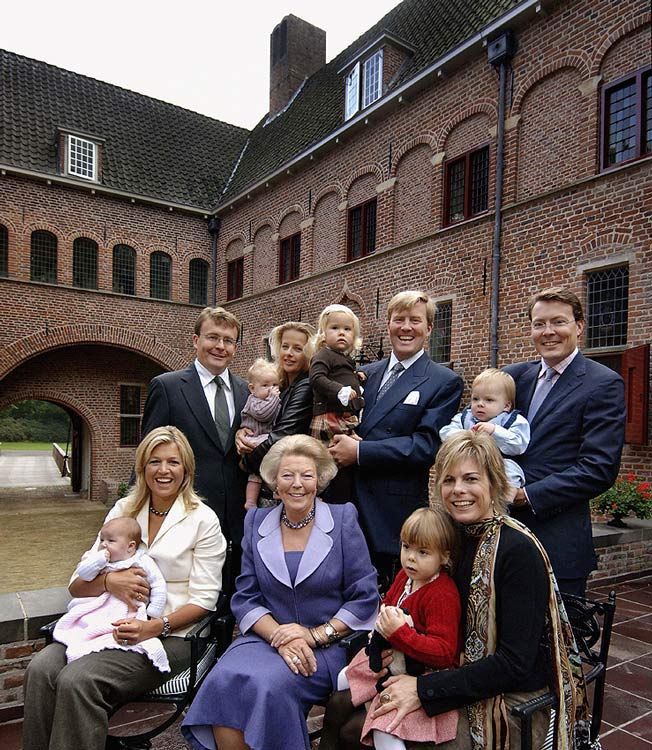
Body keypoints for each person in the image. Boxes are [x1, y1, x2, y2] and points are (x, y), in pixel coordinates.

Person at [324, 431, 588, 750]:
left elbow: (514, 663)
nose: (458, 490)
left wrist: (423, 689)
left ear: (494, 482)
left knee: (357, 730)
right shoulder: (450, 538)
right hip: (447, 668)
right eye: (448, 480)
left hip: (509, 698)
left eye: (471, 478)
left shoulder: (517, 550)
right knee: (339, 704)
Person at [23, 426, 226, 750]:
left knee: (79, 680)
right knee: (41, 669)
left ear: (186, 469)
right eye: (154, 461)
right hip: (102, 625)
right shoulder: (122, 511)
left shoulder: (203, 520)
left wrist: (153, 627)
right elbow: (77, 585)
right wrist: (108, 581)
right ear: (142, 467)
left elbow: (205, 600)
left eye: (173, 462)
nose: (163, 470)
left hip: (171, 634)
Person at [182, 434, 379, 750]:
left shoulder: (343, 520)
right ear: (275, 482)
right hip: (264, 640)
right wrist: (279, 636)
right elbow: (245, 597)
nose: (297, 484)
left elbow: (366, 597)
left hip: (325, 647)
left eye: (306, 475)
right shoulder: (256, 521)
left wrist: (311, 636)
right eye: (288, 475)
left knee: (265, 685)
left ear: (320, 480)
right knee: (222, 681)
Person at [329, 290, 464, 586]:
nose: (406, 327)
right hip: (345, 506)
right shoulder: (364, 373)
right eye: (398, 319)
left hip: (391, 518)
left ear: (429, 328)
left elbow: (426, 446)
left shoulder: (444, 381)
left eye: (415, 320)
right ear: (388, 323)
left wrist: (361, 453)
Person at [505, 287, 626, 596]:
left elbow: (598, 469)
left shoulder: (603, 383)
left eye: (558, 322)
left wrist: (525, 495)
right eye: (539, 324)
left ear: (579, 326)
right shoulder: (513, 377)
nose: (548, 332)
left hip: (557, 540)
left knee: (555, 641)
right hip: (501, 536)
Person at [328, 507, 460, 750]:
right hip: (388, 658)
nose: (410, 557)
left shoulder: (441, 593)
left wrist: (398, 633)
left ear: (443, 557)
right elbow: (388, 601)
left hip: (419, 673)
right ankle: (360, 716)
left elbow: (444, 652)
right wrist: (381, 623)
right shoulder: (405, 576)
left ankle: (376, 723)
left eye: (423, 552)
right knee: (341, 679)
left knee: (385, 733)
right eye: (406, 547)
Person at [140, 306, 249, 547]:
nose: (220, 346)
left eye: (228, 340)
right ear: (195, 340)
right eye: (212, 337)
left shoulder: (247, 391)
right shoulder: (167, 387)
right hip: (183, 516)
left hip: (237, 522)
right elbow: (147, 455)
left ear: (235, 348)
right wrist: (133, 513)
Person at [53, 516, 169, 672]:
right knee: (41, 667)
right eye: (102, 540)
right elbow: (83, 575)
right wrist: (99, 564)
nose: (103, 544)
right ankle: (88, 634)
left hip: (126, 611)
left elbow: (158, 584)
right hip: (95, 608)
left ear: (130, 546)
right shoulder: (100, 561)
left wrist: (153, 612)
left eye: (110, 541)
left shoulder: (142, 561)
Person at [236, 320, 316, 506]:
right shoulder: (280, 384)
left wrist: (246, 462)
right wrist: (241, 434)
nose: (288, 353)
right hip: (272, 479)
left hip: (286, 484)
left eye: (297, 348)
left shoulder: (305, 386)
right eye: (285, 346)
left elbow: (283, 435)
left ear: (308, 353)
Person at [440, 369, 530, 500]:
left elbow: (519, 445)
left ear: (506, 405)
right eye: (475, 399)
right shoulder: (465, 417)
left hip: (500, 462)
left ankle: (504, 504)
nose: (480, 404)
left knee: (511, 470)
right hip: (468, 462)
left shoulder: (514, 420)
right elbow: (445, 433)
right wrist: (466, 435)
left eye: (489, 400)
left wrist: (495, 431)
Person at [240, 358, 282, 509]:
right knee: (255, 474)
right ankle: (250, 501)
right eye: (265, 385)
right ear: (252, 388)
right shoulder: (254, 402)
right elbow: (264, 414)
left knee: (270, 468)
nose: (271, 389)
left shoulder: (271, 399)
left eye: (275, 385)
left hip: (264, 440)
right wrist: (273, 398)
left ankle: (276, 490)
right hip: (255, 439)